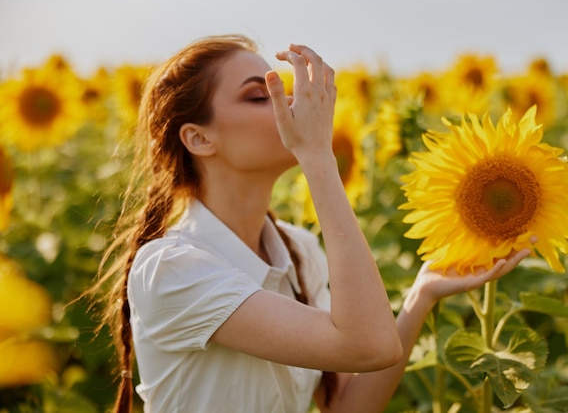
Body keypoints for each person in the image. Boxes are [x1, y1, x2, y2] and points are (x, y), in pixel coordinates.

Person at [91, 34, 531, 413]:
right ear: (199, 138)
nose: (289, 104)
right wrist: (318, 157)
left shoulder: (299, 249)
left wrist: (421, 294)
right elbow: (368, 345)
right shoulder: (172, 267)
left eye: (282, 89)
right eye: (260, 96)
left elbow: (345, 406)